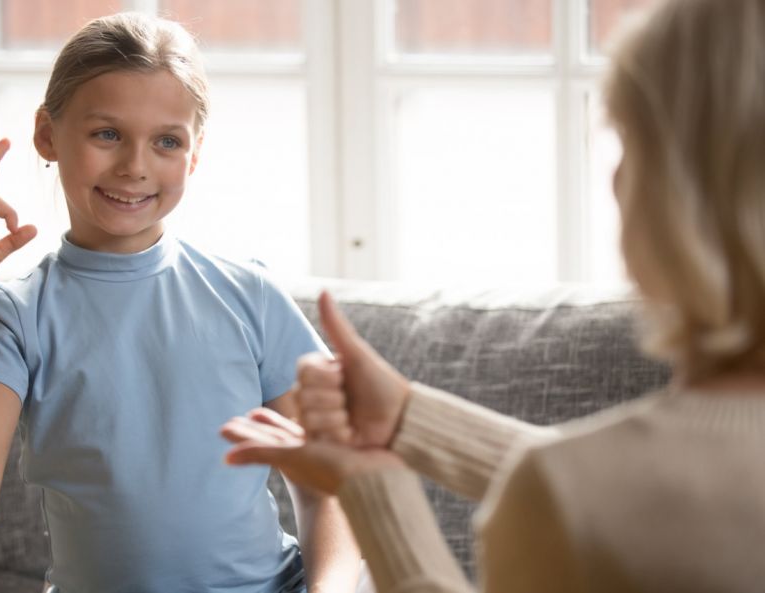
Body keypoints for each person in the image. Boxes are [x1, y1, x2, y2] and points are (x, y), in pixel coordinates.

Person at [221, 0, 765, 591]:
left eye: (628, 144)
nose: (613, 179)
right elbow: (643, 496)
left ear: (676, 195)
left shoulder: (567, 494)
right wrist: (409, 416)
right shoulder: (600, 487)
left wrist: (372, 488)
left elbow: (600, 496)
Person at [0, 12, 362, 593]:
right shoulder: (17, 313)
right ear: (47, 134)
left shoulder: (249, 296)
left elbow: (334, 479)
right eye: (107, 133)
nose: (135, 166)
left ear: (194, 155)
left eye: (166, 142)